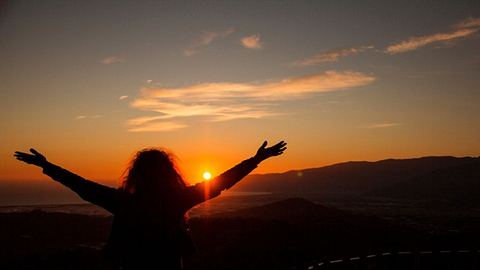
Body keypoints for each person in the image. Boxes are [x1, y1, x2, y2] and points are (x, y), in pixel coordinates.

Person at [14, 140, 287, 269]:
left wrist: (46, 166)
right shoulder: (177, 199)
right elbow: (222, 182)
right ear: (170, 173)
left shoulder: (123, 202)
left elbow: (81, 185)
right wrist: (256, 160)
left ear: (136, 174)